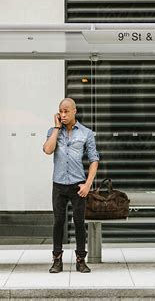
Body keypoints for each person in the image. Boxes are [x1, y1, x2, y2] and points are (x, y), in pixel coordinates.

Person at [43, 98, 99, 273]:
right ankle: (57, 260)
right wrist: (57, 128)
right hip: (58, 184)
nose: (63, 114)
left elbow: (94, 160)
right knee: (58, 222)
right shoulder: (53, 131)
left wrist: (88, 184)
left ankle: (81, 260)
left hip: (78, 185)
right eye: (61, 111)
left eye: (67, 111)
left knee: (79, 222)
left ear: (75, 111)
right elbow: (47, 150)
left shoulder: (86, 133)